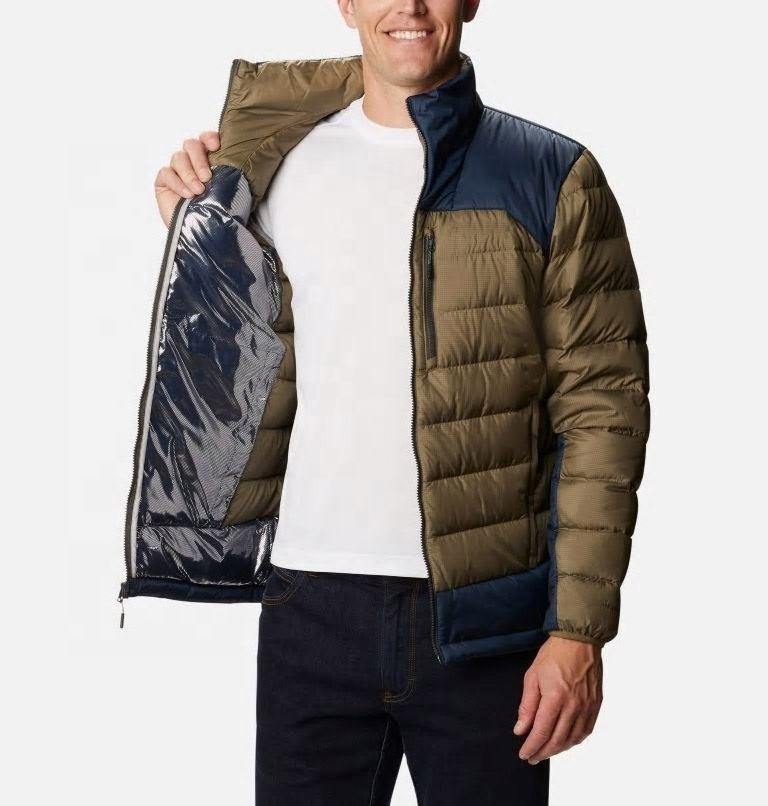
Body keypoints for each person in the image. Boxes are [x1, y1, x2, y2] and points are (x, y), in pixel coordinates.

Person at [127, 1, 649, 803]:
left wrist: (579, 630)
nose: (407, 5)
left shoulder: (552, 173)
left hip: (486, 617)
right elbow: (243, 365)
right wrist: (200, 243)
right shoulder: (278, 163)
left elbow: (603, 411)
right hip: (308, 602)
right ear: (345, 3)